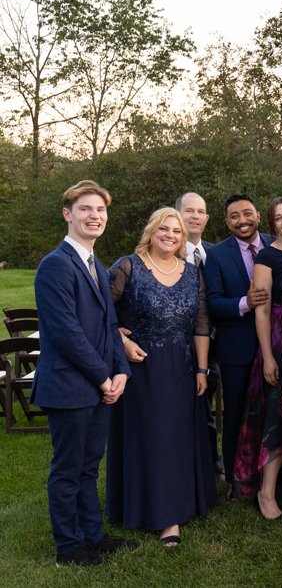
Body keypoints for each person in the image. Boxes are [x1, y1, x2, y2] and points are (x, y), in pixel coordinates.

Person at [30, 180, 135, 567]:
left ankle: (93, 535)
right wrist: (103, 378)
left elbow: (110, 326)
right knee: (67, 469)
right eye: (86, 209)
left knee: (89, 468)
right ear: (67, 214)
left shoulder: (96, 265)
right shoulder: (55, 265)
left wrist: (121, 370)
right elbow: (66, 334)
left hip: (99, 385)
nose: (95, 216)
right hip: (68, 385)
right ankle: (69, 547)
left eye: (100, 210)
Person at [105, 208, 218, 547]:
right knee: (152, 437)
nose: (170, 235)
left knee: (176, 438)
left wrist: (202, 369)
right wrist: (121, 341)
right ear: (151, 231)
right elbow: (99, 311)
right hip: (140, 368)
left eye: (177, 231)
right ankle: (156, 512)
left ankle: (175, 509)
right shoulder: (128, 266)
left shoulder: (192, 273)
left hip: (182, 368)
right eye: (164, 229)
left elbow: (201, 324)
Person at [231, 198, 282, 518]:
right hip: (279, 342)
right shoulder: (268, 256)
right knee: (278, 418)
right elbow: (261, 310)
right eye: (278, 218)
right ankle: (267, 493)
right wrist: (268, 357)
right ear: (272, 225)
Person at [203, 194, 273, 492]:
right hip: (237, 349)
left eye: (247, 213)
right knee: (234, 416)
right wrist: (245, 302)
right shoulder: (217, 255)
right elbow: (213, 303)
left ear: (257, 215)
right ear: (227, 222)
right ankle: (236, 480)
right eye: (234, 216)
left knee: (275, 414)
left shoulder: (276, 244)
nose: (242, 220)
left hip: (278, 344)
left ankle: (276, 478)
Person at [176, 192, 224, 480]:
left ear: (206, 218)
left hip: (215, 345)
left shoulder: (216, 253)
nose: (194, 216)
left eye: (200, 211)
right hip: (177, 344)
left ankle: (210, 462)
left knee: (206, 405)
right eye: (188, 210)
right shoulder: (165, 249)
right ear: (177, 215)